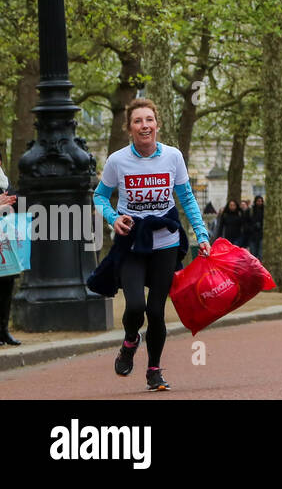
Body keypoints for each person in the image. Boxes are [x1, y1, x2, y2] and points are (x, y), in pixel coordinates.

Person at [88, 99, 211, 392]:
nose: (144, 126)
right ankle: (131, 341)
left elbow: (188, 199)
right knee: (135, 305)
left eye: (149, 120)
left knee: (156, 311)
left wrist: (202, 235)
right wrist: (113, 218)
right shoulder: (118, 160)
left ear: (157, 124)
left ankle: (154, 370)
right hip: (132, 241)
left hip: (165, 242)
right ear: (129, 128)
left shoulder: (173, 157)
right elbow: (100, 196)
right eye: (138, 121)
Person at [0, 161, 20, 345]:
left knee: (7, 285)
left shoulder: (5, 183)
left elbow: (18, 204)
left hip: (6, 240)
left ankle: (3, 330)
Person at [247, 195, 265, 259]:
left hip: (261, 235)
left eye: (261, 201)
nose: (259, 203)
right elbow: (247, 222)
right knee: (253, 254)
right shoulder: (251, 210)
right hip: (252, 235)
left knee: (260, 254)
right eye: (258, 201)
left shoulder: (265, 210)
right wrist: (251, 228)